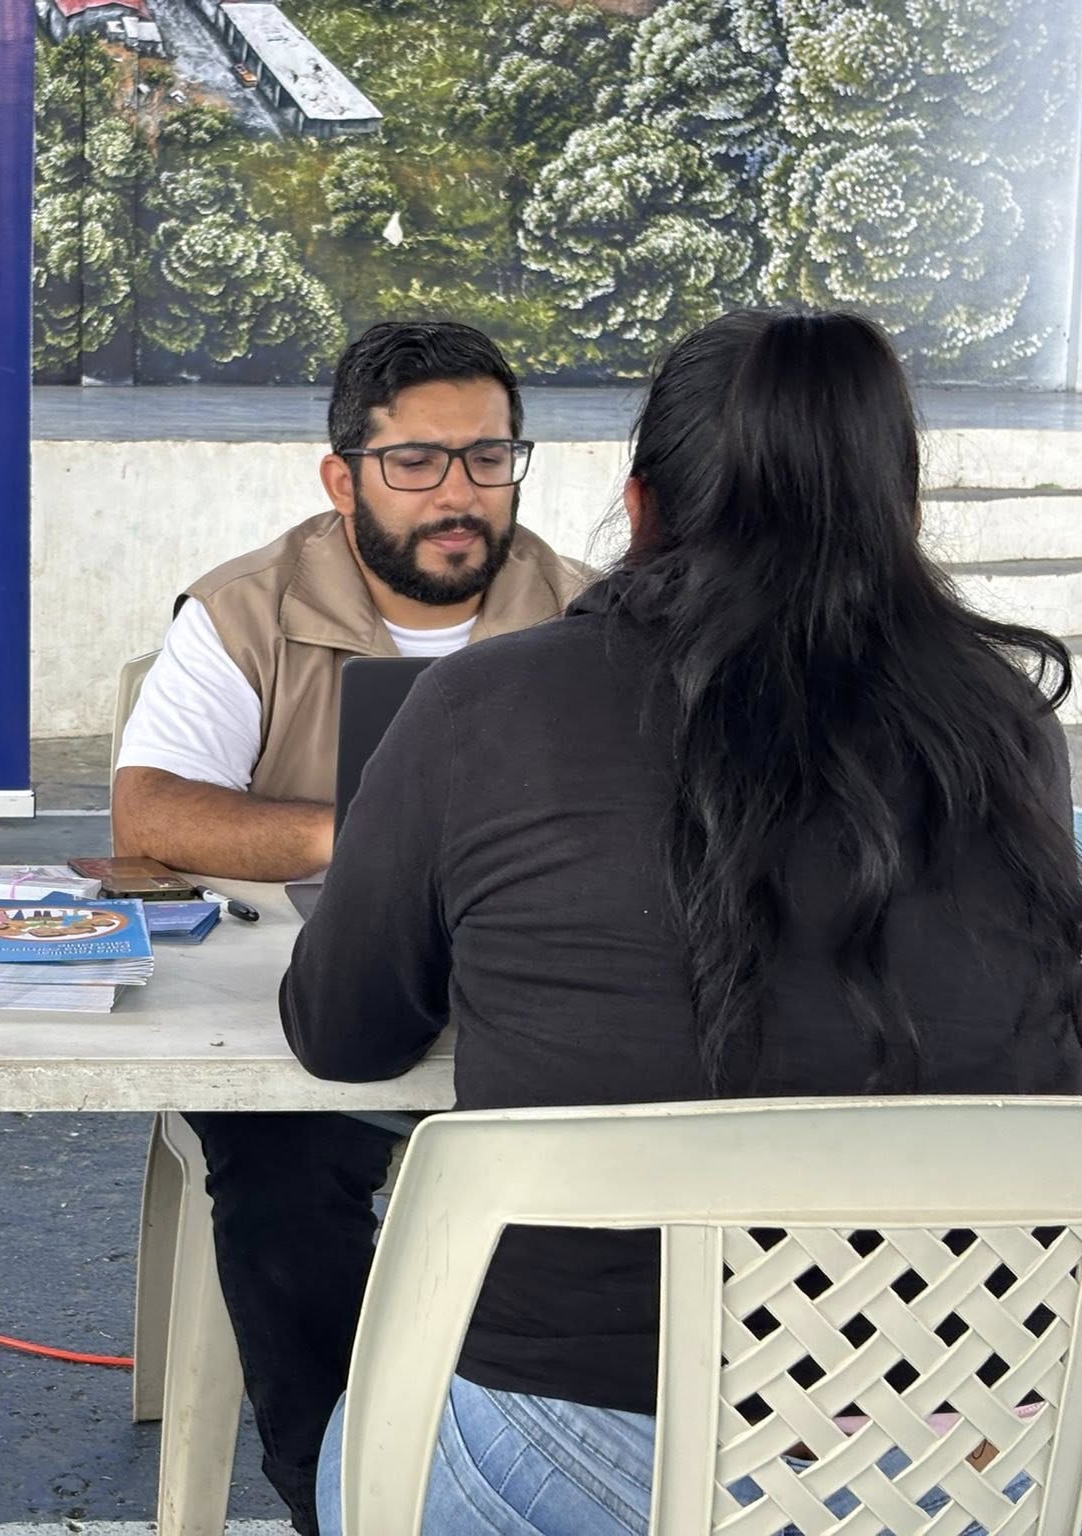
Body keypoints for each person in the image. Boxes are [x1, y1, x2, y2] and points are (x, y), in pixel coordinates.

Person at [290, 310, 1082, 1535]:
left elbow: (342, 1034)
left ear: (638, 504)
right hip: (976, 1453)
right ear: (899, 511)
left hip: (576, 1449)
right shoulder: (1006, 727)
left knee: (360, 1439)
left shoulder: (477, 705)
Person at [110, 321, 588, 1533]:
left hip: (539, 997)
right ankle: (336, 1498)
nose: (457, 494)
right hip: (311, 1000)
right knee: (279, 1176)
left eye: (488, 459)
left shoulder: (589, 614)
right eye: (415, 462)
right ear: (342, 476)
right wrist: (366, 833)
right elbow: (149, 809)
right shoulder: (246, 608)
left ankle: (541, 1468)